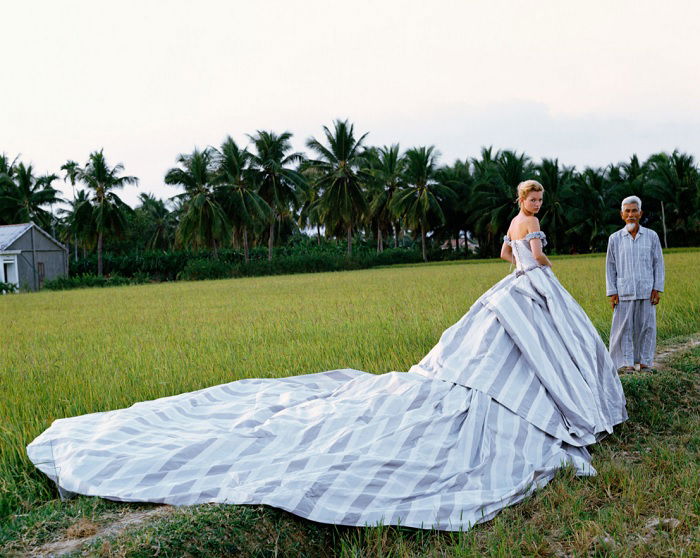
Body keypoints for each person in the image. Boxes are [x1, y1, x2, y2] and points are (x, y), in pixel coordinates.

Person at [27, 180, 627, 532]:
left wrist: (526, 263)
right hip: (532, 292)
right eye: (535, 196)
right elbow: (533, 262)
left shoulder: (509, 226)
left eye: (538, 197)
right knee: (537, 353)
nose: (537, 203)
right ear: (529, 201)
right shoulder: (533, 231)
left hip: (509, 295)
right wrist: (545, 265)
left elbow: (505, 259)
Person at [606, 196, 665, 372]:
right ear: (622, 214)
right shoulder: (615, 238)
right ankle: (627, 363)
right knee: (625, 329)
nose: (631, 214)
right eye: (627, 211)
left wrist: (657, 288)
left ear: (641, 213)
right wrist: (612, 291)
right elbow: (610, 266)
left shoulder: (651, 236)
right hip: (624, 291)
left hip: (647, 290)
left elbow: (658, 263)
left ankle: (645, 362)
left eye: (634, 211)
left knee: (647, 327)